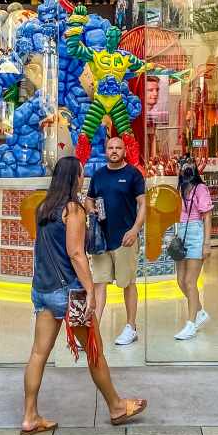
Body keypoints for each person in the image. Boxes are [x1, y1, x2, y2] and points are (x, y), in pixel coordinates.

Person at [22, 156, 147, 435]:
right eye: (80, 174)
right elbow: (76, 254)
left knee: (38, 353)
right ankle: (116, 406)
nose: (83, 179)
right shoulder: (73, 210)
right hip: (69, 292)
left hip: (43, 290)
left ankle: (29, 416)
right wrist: (90, 290)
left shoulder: (44, 207)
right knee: (95, 351)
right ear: (74, 178)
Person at [85, 136, 146, 346]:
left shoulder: (133, 175)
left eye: (118, 147)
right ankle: (94, 331)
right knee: (99, 284)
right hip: (101, 241)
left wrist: (135, 229)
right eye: (110, 147)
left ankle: (131, 327)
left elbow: (143, 204)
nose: (114, 150)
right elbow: (89, 198)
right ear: (105, 150)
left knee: (128, 284)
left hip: (125, 240)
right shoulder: (99, 175)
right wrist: (90, 209)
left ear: (124, 150)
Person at [172, 161, 213, 341]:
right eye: (182, 166)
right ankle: (200, 312)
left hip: (196, 234)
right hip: (182, 233)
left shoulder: (200, 189)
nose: (185, 170)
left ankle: (191, 323)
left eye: (189, 166)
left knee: (190, 281)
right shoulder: (180, 189)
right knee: (180, 280)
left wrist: (207, 243)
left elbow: (207, 216)